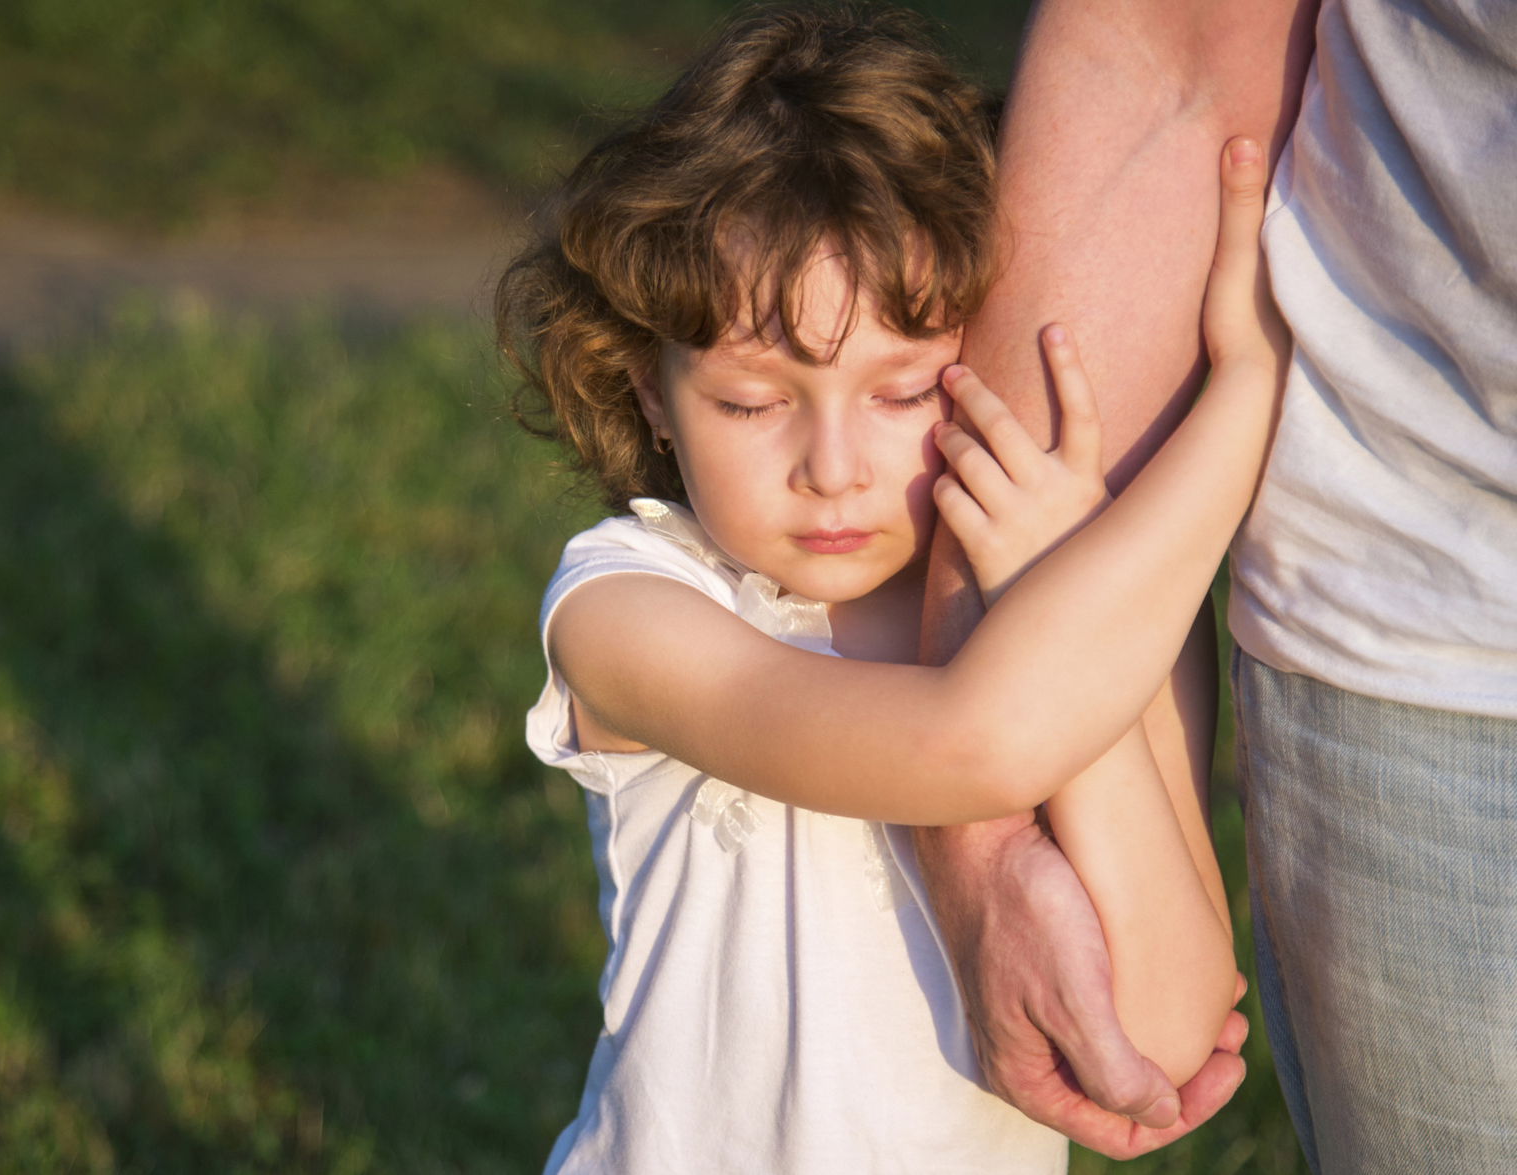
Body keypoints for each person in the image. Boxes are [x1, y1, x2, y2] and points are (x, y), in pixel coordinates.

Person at [494, 8, 1285, 1170]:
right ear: (653, 394)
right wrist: (1247, 402)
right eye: (752, 403)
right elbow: (980, 741)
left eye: (903, 389)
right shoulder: (626, 609)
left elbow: (1162, 1038)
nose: (832, 467)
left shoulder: (1055, 597)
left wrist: (1064, 588)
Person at [914, 0, 1517, 1168]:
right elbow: (1160, 43)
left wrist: (1246, 383)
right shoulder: (622, 629)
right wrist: (991, 840)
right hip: (1451, 621)